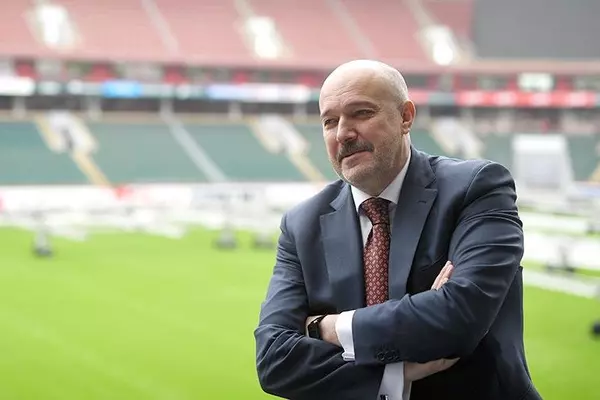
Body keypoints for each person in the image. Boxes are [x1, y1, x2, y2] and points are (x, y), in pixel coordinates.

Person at [254, 60, 541, 400]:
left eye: (361, 113)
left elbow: (460, 317)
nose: (343, 133)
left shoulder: (476, 188)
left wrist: (326, 327)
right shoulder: (301, 224)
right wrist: (396, 374)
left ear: (406, 117)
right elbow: (274, 361)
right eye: (329, 121)